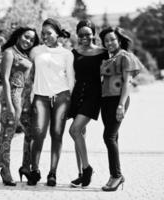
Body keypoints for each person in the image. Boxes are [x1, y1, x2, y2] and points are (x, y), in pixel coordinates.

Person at [28, 18, 75, 187]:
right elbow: (27, 70)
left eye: (49, 33)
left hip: (62, 97)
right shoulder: (36, 51)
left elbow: (71, 78)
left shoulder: (67, 54)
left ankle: (52, 173)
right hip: (41, 97)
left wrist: (71, 100)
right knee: (38, 134)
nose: (45, 36)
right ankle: (34, 170)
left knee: (56, 135)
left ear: (57, 34)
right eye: (43, 33)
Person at [99, 26, 143, 191]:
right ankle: (115, 175)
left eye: (112, 39)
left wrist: (121, 105)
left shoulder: (126, 57)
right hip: (105, 101)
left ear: (119, 40)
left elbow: (127, 82)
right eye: (106, 40)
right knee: (113, 138)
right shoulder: (108, 58)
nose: (109, 42)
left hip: (118, 100)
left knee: (108, 137)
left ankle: (116, 175)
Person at [68, 19, 108, 188]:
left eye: (88, 34)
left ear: (94, 34)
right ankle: (81, 174)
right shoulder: (74, 52)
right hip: (77, 94)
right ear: (77, 35)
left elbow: (111, 71)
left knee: (74, 130)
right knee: (80, 134)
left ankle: (87, 169)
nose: (85, 37)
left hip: (93, 95)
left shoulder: (102, 52)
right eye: (81, 34)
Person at [0, 27, 39, 186]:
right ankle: (5, 169)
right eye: (26, 37)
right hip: (13, 97)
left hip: (26, 99)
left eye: (31, 40)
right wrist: (9, 104)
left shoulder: (26, 55)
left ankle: (25, 166)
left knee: (31, 133)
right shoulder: (10, 53)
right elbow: (5, 79)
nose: (28, 41)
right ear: (18, 35)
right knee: (7, 135)